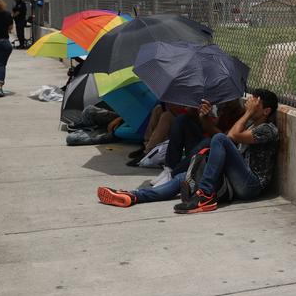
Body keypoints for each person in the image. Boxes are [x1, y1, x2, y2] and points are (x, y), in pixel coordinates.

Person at [97, 98, 247, 207]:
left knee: (183, 174)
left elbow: (224, 140)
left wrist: (247, 113)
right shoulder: (223, 109)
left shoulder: (245, 117)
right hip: (204, 158)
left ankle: (137, 193)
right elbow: (209, 129)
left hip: (215, 161)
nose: (226, 103)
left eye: (230, 100)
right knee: (182, 120)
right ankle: (137, 191)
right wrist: (200, 114)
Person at [175, 89, 279, 214]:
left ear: (266, 111)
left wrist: (248, 113)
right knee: (182, 177)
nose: (249, 104)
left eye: (255, 103)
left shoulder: (268, 129)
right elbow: (229, 138)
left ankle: (205, 194)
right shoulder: (250, 125)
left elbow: (230, 136)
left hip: (251, 186)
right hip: (237, 180)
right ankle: (151, 194)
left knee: (219, 138)